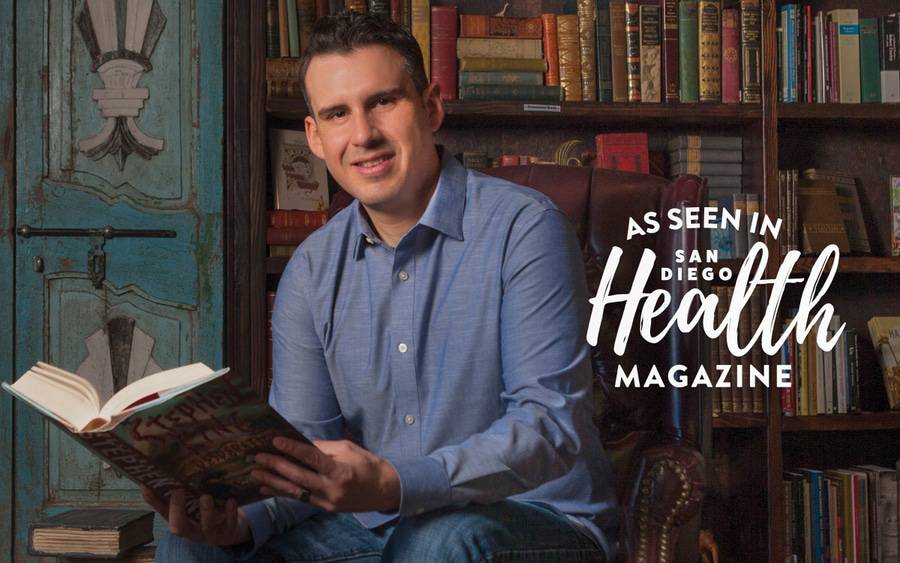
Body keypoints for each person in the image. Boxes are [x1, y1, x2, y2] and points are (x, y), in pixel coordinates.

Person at [146, 11, 618, 562]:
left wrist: (396, 482)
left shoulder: (525, 228)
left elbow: (549, 428)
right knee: (189, 547)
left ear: (432, 107)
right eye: (337, 114)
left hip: (535, 518)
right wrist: (238, 523)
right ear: (315, 137)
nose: (364, 134)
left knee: (440, 540)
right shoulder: (312, 269)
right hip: (373, 530)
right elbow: (302, 461)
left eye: (383, 102)